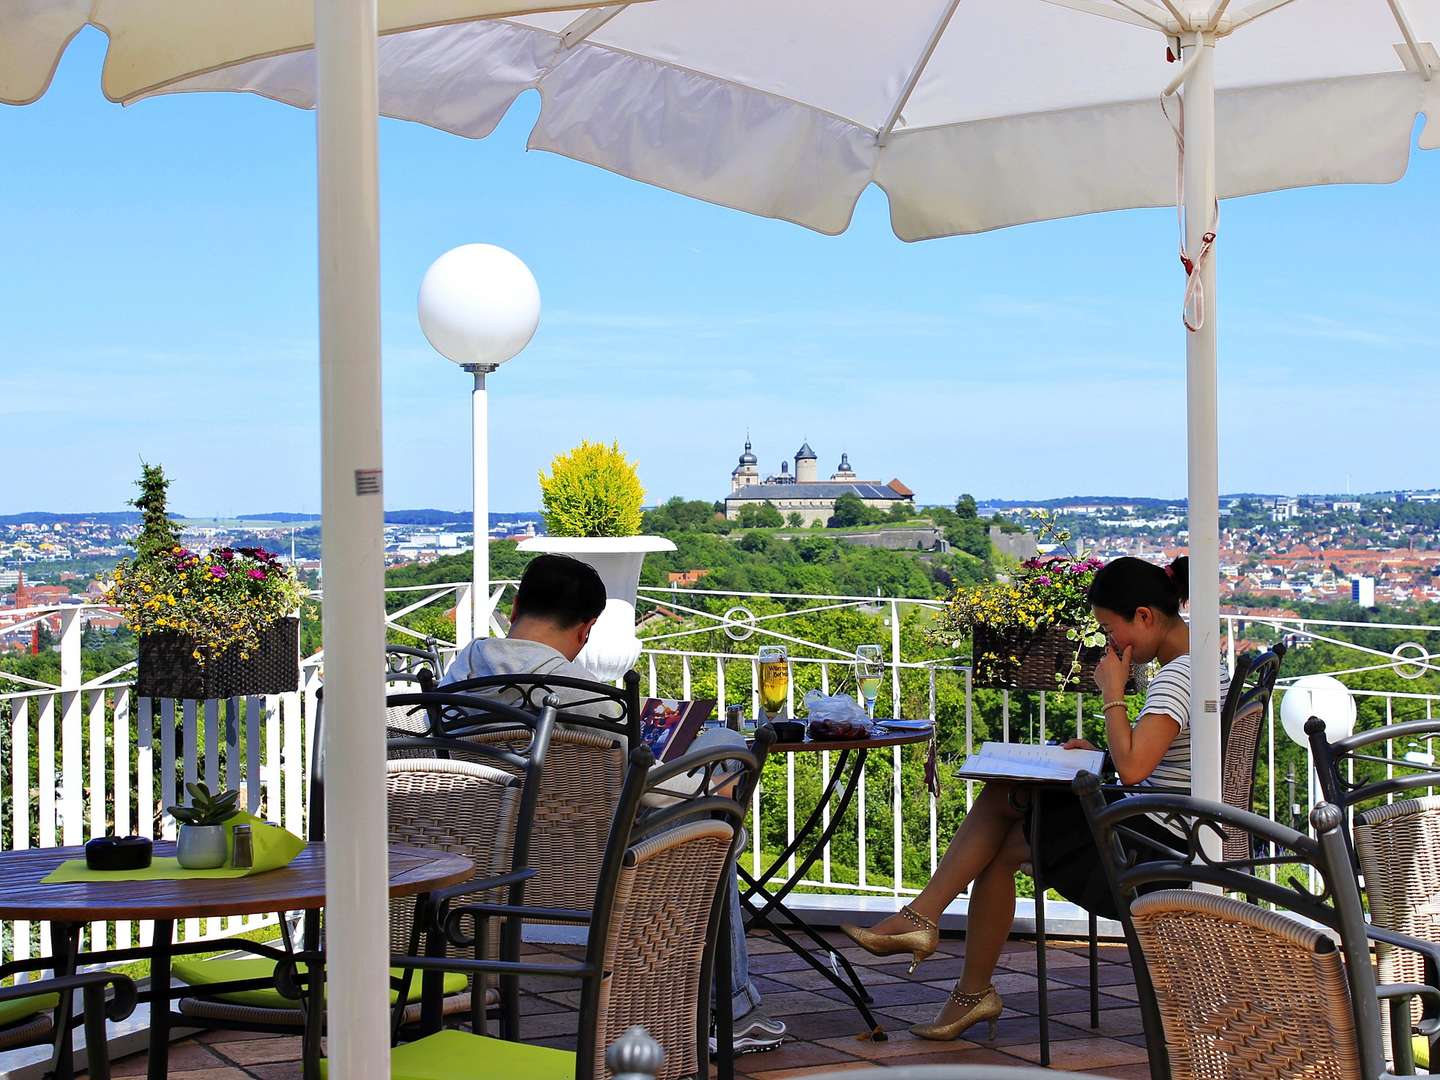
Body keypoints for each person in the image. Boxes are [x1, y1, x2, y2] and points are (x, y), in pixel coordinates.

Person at [839, 555, 1226, 1042]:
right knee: (1002, 843)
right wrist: (1103, 752)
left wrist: (1113, 693)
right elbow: (1162, 761)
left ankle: (928, 928)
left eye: (1111, 629)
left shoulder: (1178, 677)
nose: (1111, 645)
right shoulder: (1206, 662)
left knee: (1006, 793)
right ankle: (954, 971)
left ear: (1144, 616)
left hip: (1153, 849)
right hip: (1174, 830)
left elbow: (1134, 769)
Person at [439, 554, 787, 1053]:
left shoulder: (454, 685)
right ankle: (724, 1011)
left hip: (486, 871)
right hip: (592, 876)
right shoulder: (590, 704)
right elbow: (654, 791)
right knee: (713, 820)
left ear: (515, 606)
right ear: (587, 630)